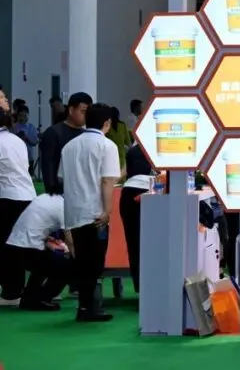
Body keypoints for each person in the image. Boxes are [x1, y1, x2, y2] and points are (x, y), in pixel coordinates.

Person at [60, 102, 122, 322]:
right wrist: (107, 210)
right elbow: (107, 180)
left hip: (74, 211)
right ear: (107, 123)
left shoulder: (69, 146)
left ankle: (85, 307)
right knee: (95, 263)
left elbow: (62, 177)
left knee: (82, 260)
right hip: (95, 212)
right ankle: (90, 308)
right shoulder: (107, 146)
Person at [2, 193, 71, 311]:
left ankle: (29, 298)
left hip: (12, 248)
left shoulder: (43, 197)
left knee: (44, 260)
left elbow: (33, 225)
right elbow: (70, 239)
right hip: (27, 250)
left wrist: (46, 239)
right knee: (66, 265)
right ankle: (41, 299)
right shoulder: (65, 207)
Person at [0, 89, 37, 302]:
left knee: (7, 246)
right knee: (23, 245)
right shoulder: (16, 140)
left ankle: (12, 291)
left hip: (7, 197)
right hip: (26, 195)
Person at [40, 92, 92, 196]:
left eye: (88, 112)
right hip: (60, 191)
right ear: (71, 110)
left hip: (83, 191)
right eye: (83, 111)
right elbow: (48, 165)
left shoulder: (86, 134)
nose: (86, 116)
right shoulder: (53, 133)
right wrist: (52, 191)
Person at [119, 141, 155, 293]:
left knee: (133, 243)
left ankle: (141, 288)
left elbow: (123, 172)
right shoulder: (158, 147)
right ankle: (153, 288)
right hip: (152, 190)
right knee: (154, 243)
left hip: (129, 192)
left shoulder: (133, 150)